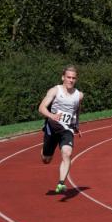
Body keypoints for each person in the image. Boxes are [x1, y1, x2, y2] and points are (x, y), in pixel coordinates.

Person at [39, 65, 83, 193]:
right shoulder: (55, 90)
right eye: (68, 77)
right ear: (63, 77)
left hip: (67, 129)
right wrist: (51, 115)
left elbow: (77, 110)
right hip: (52, 127)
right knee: (46, 159)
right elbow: (41, 108)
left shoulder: (79, 95)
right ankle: (44, 150)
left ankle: (61, 183)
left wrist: (76, 124)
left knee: (67, 153)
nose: (71, 80)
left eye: (73, 78)